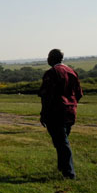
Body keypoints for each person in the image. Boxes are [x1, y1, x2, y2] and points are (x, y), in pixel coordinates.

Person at [39, 49, 83, 179]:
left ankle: (69, 173)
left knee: (62, 142)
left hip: (56, 112)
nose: (47, 59)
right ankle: (62, 167)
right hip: (70, 111)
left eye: (48, 56)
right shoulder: (72, 72)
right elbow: (79, 93)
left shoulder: (52, 73)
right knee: (61, 140)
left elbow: (46, 96)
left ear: (53, 58)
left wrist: (44, 114)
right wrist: (72, 103)